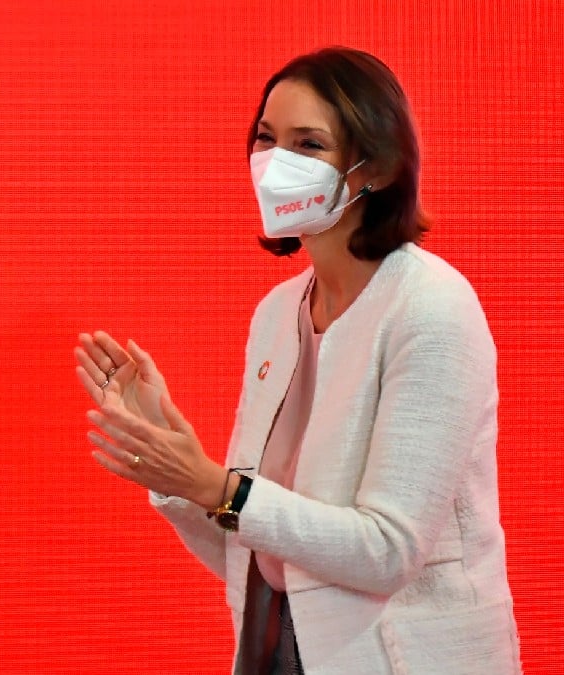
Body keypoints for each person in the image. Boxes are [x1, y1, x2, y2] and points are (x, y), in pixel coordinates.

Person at [75, 47, 520, 674]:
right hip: (281, 650)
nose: (276, 164)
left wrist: (211, 482)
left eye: (308, 144)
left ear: (382, 167)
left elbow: (387, 551)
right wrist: (170, 463)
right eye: (266, 139)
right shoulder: (278, 314)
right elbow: (263, 547)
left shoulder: (431, 308)